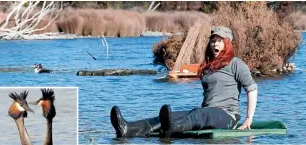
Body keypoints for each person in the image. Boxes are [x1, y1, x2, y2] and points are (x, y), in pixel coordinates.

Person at [110, 26, 258, 138]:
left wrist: (248, 119)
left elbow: (252, 89)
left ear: (227, 43)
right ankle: (128, 129)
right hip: (208, 113)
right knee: (171, 116)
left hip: (227, 117)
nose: (215, 44)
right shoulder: (208, 66)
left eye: (219, 41)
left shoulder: (236, 64)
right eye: (213, 41)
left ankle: (171, 129)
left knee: (200, 114)